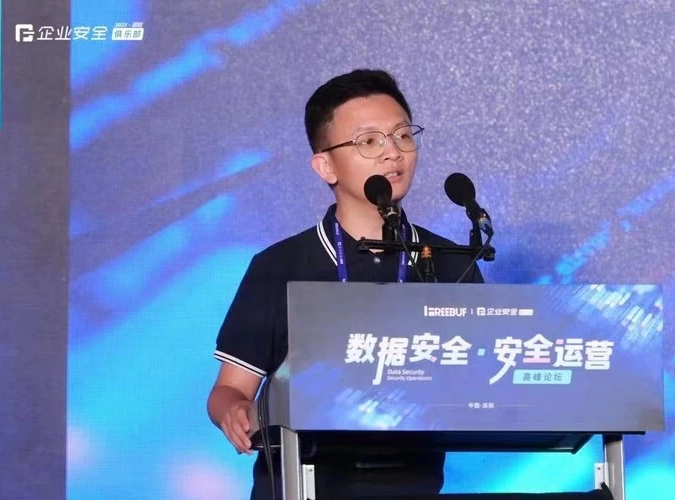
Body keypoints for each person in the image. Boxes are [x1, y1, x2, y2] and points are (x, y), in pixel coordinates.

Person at [207, 68, 485, 499]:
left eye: (402, 136)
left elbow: (485, 382)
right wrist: (235, 411)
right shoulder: (278, 266)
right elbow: (229, 389)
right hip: (300, 485)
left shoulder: (451, 264)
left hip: (410, 486)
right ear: (325, 165)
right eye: (369, 142)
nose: (392, 153)